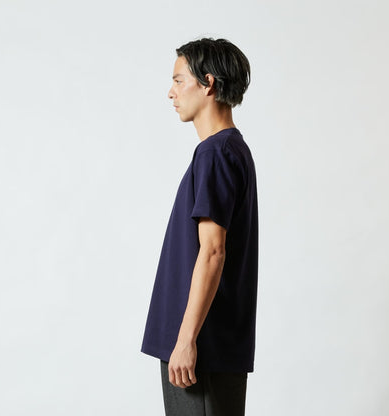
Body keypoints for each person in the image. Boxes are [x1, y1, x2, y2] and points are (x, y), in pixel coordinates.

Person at [141, 37, 258, 416]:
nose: (171, 92)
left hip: (200, 347)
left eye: (179, 81)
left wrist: (186, 339)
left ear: (208, 83)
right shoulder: (229, 150)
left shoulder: (216, 153)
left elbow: (213, 251)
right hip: (208, 344)